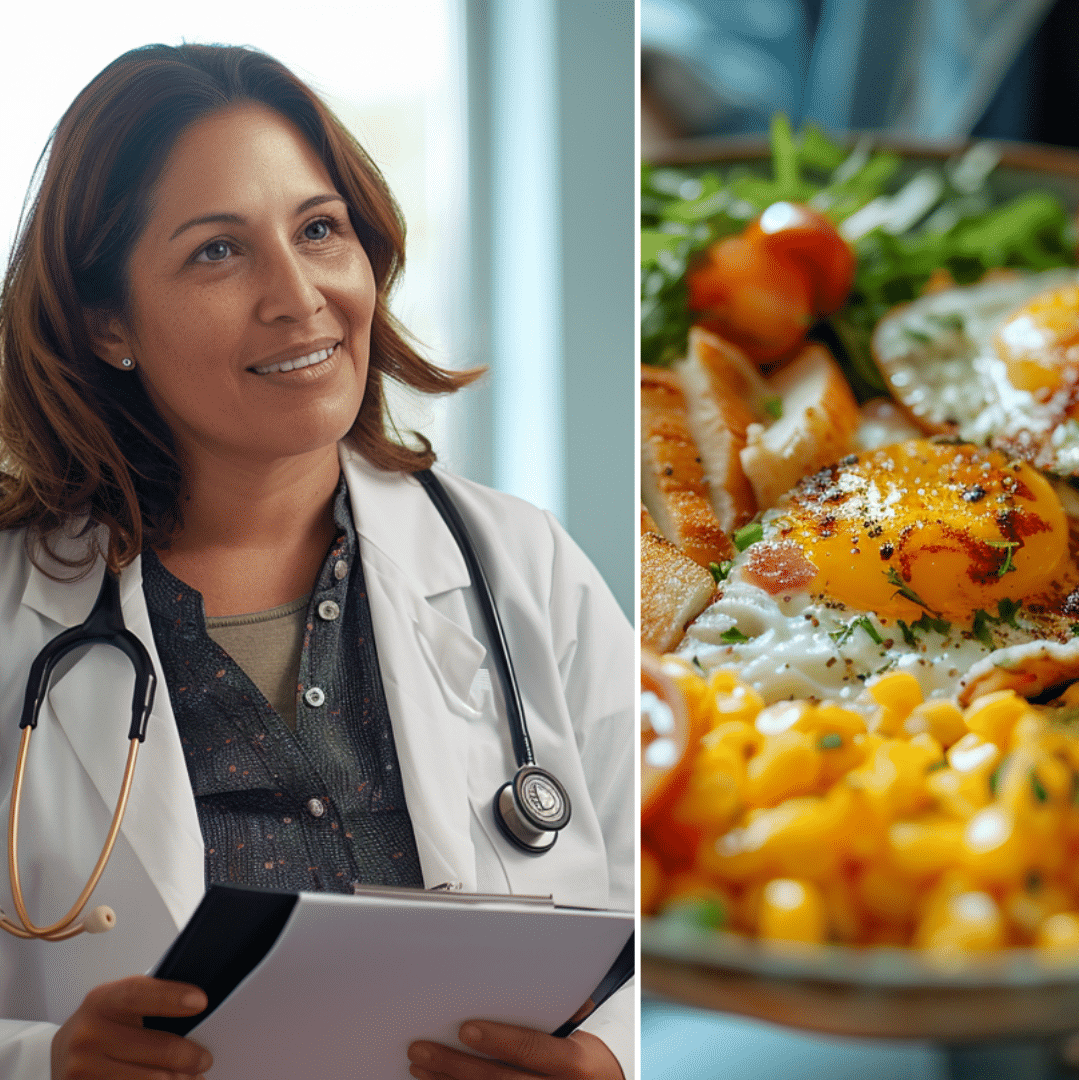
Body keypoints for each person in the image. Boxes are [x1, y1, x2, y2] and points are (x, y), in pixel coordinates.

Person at [0, 45, 633, 1079]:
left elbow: (686, 922)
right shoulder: (15, 611)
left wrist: (612, 1058)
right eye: (217, 252)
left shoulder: (524, 567)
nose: (299, 297)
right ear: (106, 321)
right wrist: (42, 1063)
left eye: (319, 230)